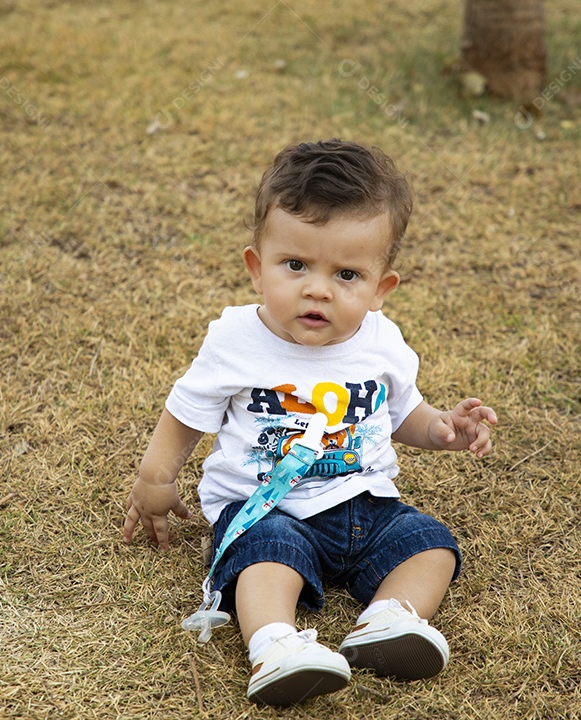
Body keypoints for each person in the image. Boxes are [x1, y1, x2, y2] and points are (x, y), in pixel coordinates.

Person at [122, 139, 497, 706]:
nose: (317, 289)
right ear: (257, 269)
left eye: (347, 274)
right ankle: (275, 644)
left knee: (430, 545)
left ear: (380, 289)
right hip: (266, 507)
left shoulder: (382, 342)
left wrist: (442, 429)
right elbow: (186, 413)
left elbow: (400, 414)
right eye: (295, 265)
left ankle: (388, 621)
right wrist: (155, 479)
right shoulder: (236, 340)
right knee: (267, 554)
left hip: (366, 505)